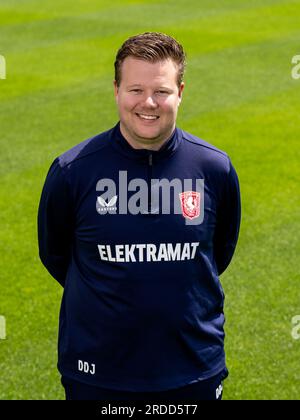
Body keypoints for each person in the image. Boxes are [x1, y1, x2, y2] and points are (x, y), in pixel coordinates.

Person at [38, 32, 241, 401]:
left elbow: (217, 253)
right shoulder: (73, 171)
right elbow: (55, 256)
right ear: (116, 90)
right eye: (135, 90)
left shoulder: (214, 169)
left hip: (192, 369)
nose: (148, 103)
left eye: (161, 91)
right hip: (98, 373)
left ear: (181, 91)